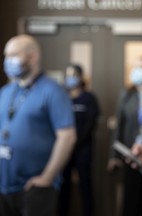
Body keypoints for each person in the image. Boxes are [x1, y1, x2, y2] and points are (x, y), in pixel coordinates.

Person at [0, 34, 76, 216]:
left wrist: (47, 177)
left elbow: (67, 136)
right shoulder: (6, 91)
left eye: (13, 55)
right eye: (6, 56)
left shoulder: (52, 91)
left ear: (32, 56)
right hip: (4, 187)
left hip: (35, 188)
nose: (7, 61)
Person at [107, 56, 142, 216]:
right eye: (135, 67)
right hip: (130, 153)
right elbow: (119, 126)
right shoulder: (127, 94)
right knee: (131, 201)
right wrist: (114, 156)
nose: (137, 71)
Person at [59, 64, 100, 216]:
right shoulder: (62, 98)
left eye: (74, 74)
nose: (71, 78)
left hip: (83, 149)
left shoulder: (89, 98)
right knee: (64, 187)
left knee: (85, 186)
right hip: (64, 150)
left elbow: (90, 124)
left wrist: (75, 142)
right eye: (68, 74)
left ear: (81, 77)